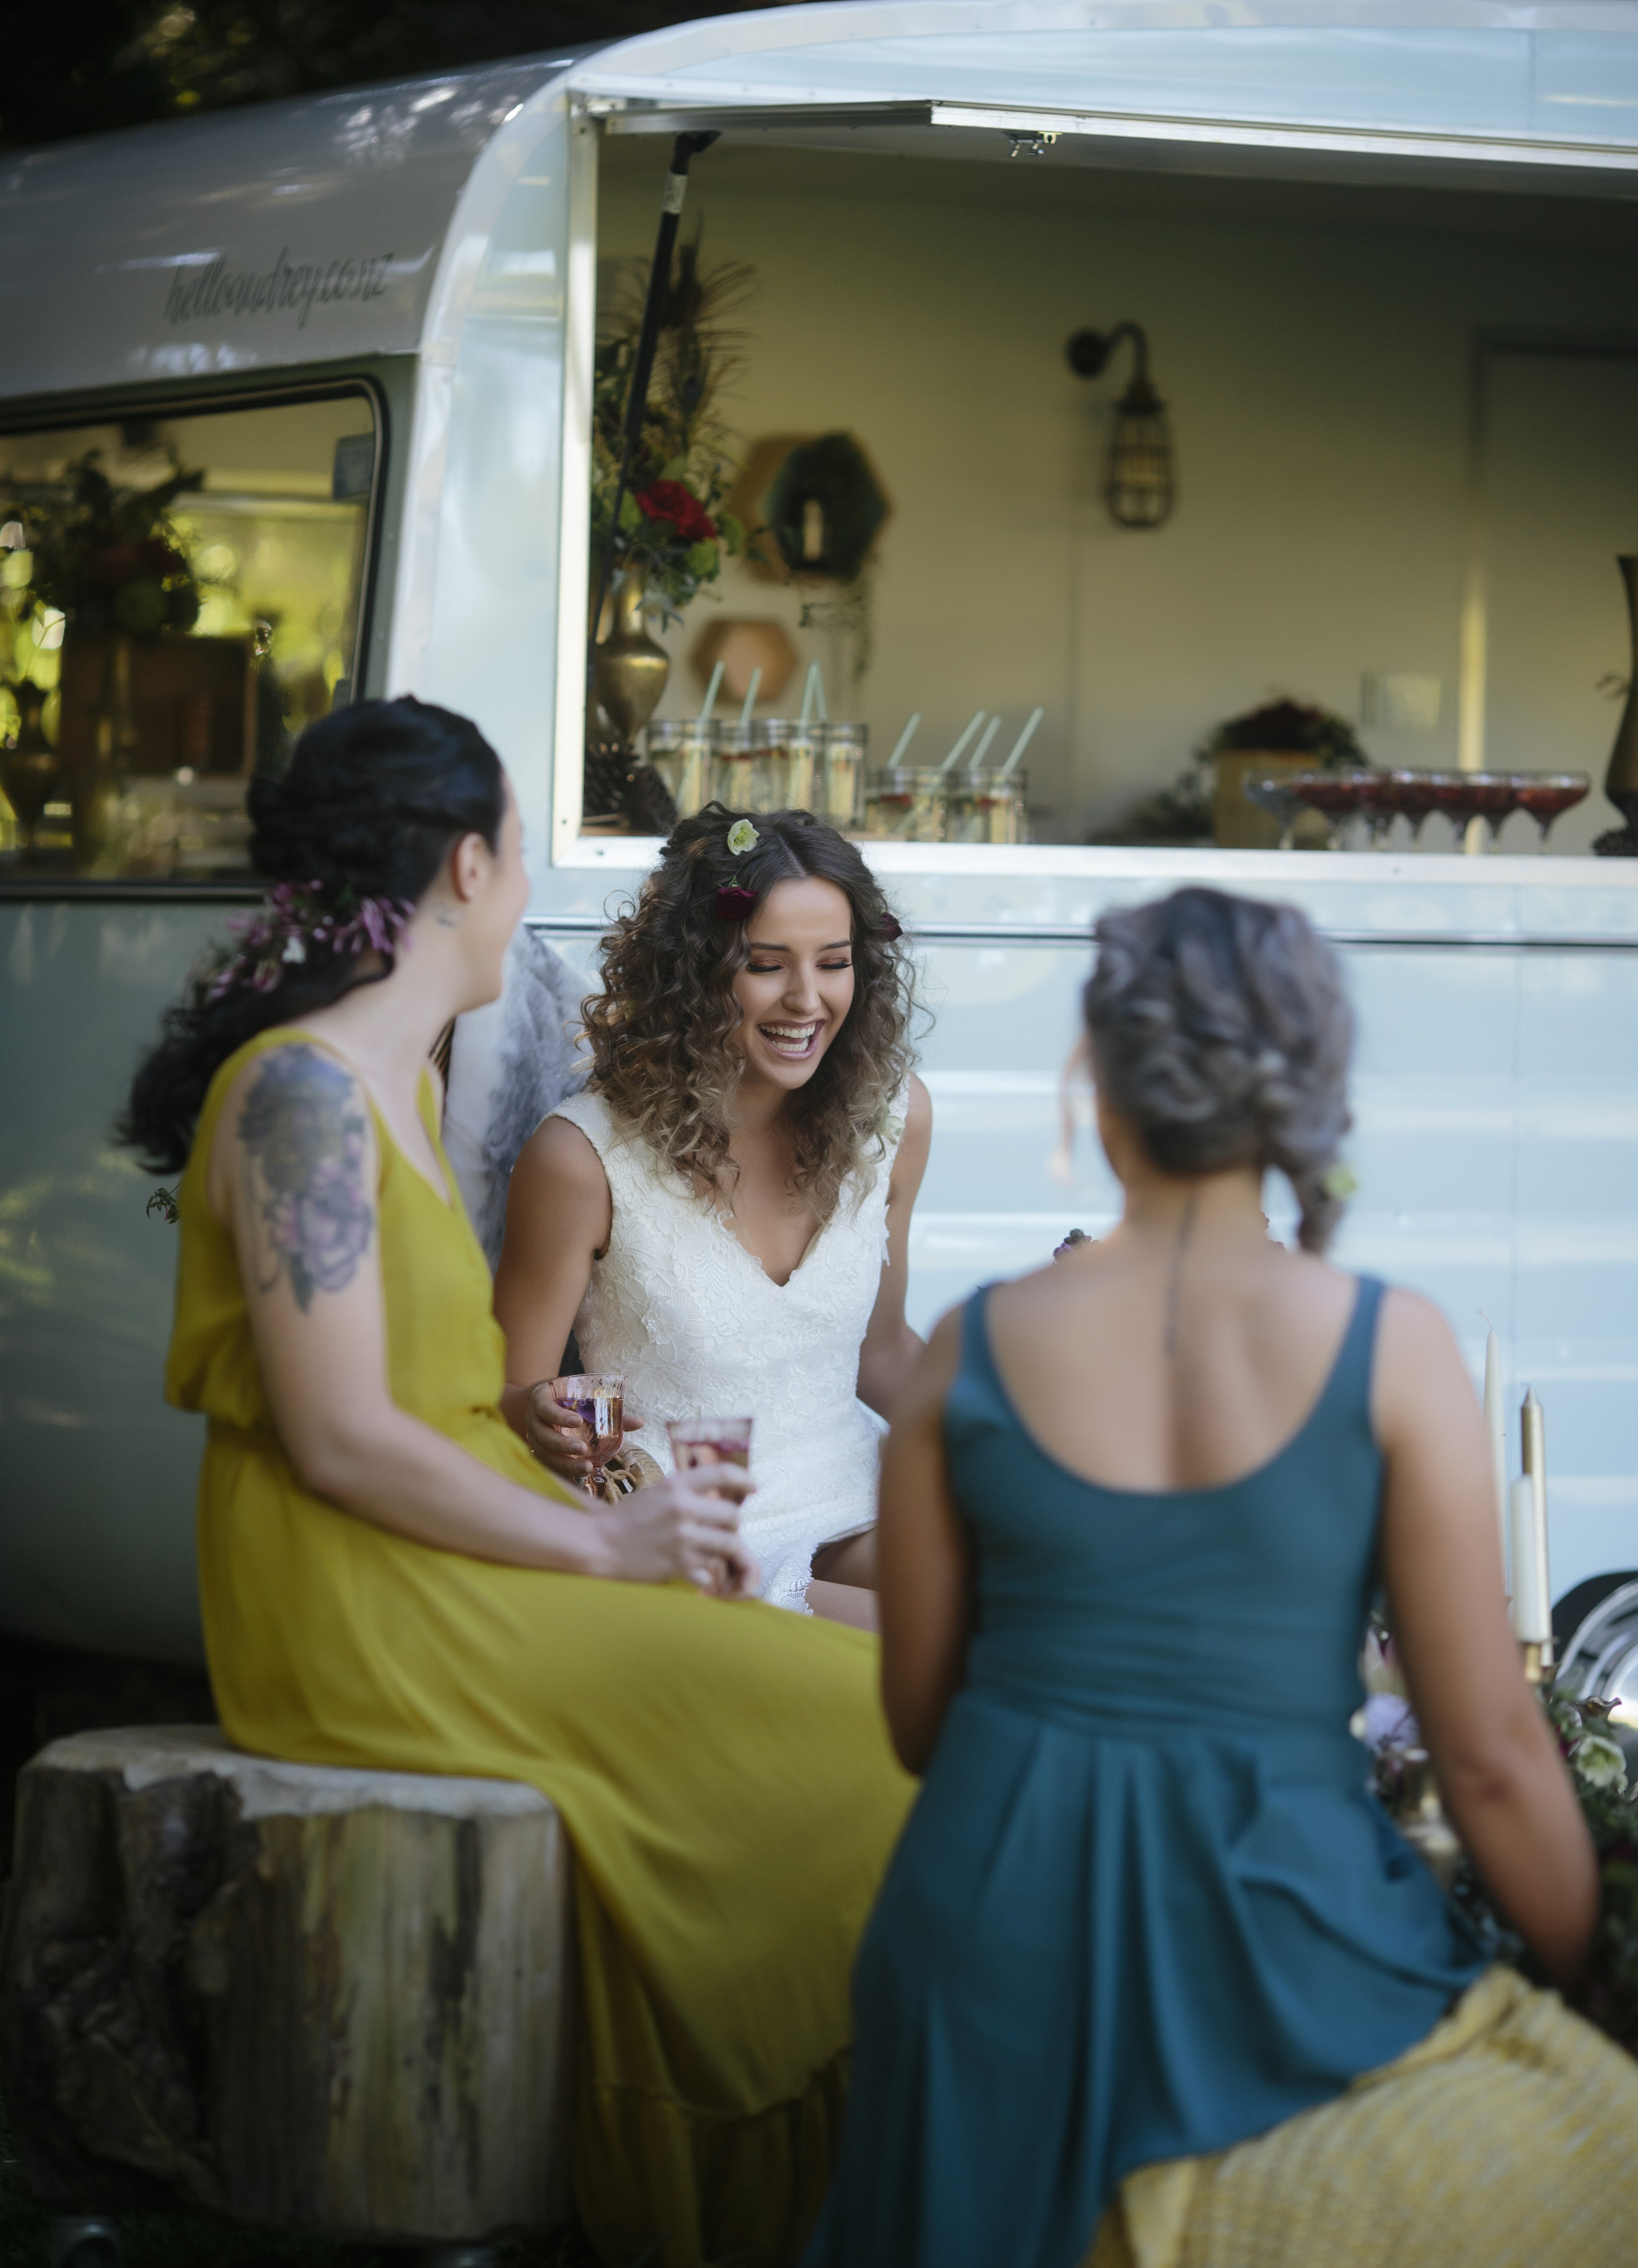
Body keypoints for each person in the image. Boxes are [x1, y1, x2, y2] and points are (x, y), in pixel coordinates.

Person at [121, 699, 912, 2268]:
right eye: (521, 854)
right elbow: (344, 1439)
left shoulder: (393, 1081)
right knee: (854, 1732)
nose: (530, 889)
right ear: (467, 864)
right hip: (355, 1601)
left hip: (447, 1559)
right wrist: (604, 1550)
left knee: (854, 1702)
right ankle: (795, 2181)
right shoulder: (296, 1102)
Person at [804, 884, 1638, 2268]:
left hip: (986, 1933)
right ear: (1302, 1090)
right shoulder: (1391, 1349)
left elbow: (917, 1727)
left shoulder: (972, 1350)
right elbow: (1492, 1759)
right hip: (1275, 1933)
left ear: (1103, 1083)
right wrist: (1586, 1985)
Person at [494, 802, 931, 1628]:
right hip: (689, 1540)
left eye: (834, 963)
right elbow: (500, 1391)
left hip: (852, 1495)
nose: (807, 1000)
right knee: (940, 1656)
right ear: (692, 973)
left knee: (1039, 1605)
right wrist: (535, 1412)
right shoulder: (581, 1159)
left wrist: (1030, 1447)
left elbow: (883, 1352)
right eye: (766, 965)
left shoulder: (895, 1121)